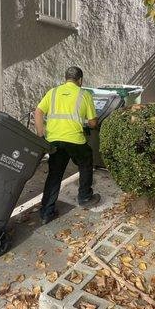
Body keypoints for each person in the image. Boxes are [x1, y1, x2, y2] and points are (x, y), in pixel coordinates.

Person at [35, 66, 101, 224]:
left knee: (54, 174)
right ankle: (85, 197)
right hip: (75, 140)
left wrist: (40, 133)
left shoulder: (53, 92)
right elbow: (92, 123)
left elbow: (38, 111)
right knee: (85, 161)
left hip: (54, 140)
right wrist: (89, 121)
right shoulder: (84, 94)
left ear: (65, 78)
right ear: (81, 80)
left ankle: (46, 212)